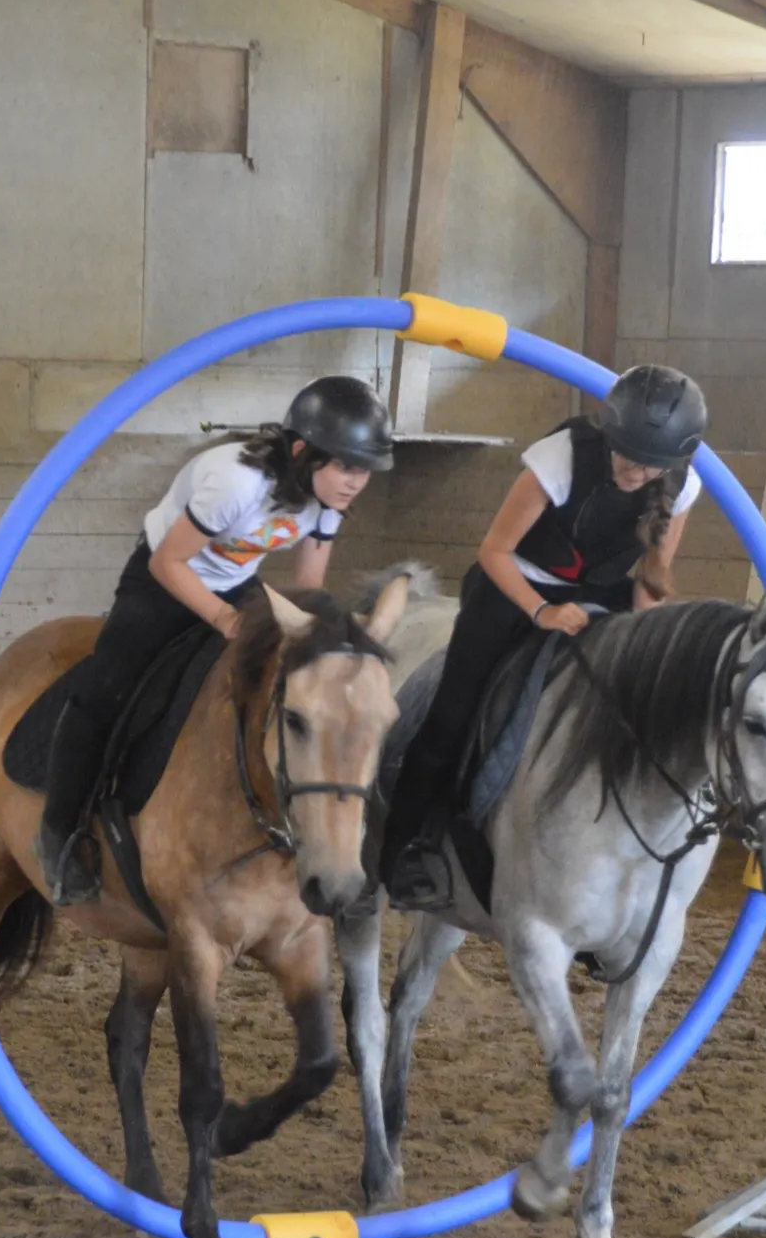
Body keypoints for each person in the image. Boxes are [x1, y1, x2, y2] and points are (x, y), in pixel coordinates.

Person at [36, 375, 394, 907]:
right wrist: (224, 619)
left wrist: (308, 640)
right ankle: (59, 833)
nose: (355, 481)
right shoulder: (236, 484)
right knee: (103, 691)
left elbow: (309, 583)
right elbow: (167, 562)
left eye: (363, 469)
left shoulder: (327, 498)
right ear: (302, 452)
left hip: (236, 585)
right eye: (345, 465)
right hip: (162, 581)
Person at [380, 364, 707, 912]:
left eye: (652, 464)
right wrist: (542, 612)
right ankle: (402, 849)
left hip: (602, 592)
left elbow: (653, 577)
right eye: (627, 453)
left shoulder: (683, 484)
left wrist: (647, 640)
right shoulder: (559, 457)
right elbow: (494, 551)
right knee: (451, 714)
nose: (636, 470)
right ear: (609, 433)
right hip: (515, 587)